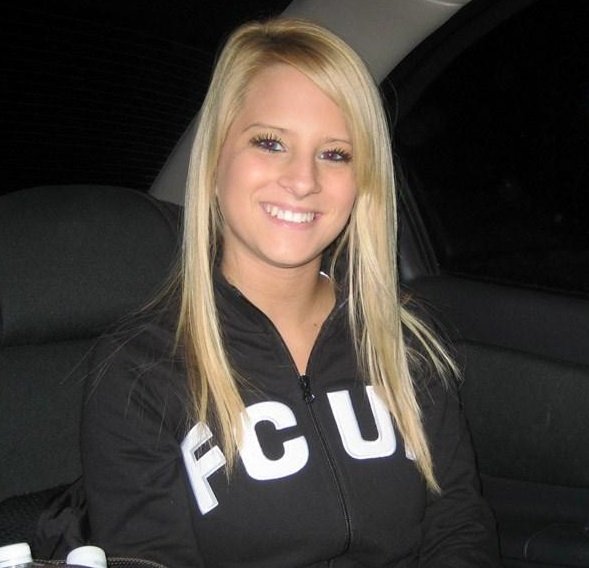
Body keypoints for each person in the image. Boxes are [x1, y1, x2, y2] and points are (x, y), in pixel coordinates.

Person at [81, 17, 502, 568]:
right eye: (270, 142)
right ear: (214, 160)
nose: (303, 180)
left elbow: (458, 525)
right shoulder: (140, 369)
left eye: (336, 154)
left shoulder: (405, 344)